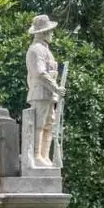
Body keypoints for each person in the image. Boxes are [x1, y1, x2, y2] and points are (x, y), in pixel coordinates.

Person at [25, 14, 64, 167]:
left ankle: (44, 155)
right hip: (40, 92)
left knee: (49, 124)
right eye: (49, 31)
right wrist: (56, 87)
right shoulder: (36, 50)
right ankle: (36, 156)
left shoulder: (45, 49)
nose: (52, 34)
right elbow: (40, 73)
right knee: (39, 124)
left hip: (49, 94)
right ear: (42, 33)